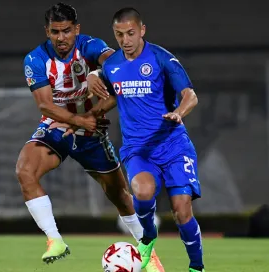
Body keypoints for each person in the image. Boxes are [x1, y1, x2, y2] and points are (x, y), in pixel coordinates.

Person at [53, 7, 205, 272]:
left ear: (142, 30)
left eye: (130, 33)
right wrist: (80, 118)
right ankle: (148, 236)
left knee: (182, 212)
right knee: (143, 192)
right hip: (138, 149)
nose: (125, 40)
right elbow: (112, 96)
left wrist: (179, 113)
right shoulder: (112, 66)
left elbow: (190, 95)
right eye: (119, 34)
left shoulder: (161, 59)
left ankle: (196, 267)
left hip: (173, 146)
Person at [16, 3, 164, 271]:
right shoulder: (35, 60)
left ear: (77, 29)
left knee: (119, 194)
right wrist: (79, 120)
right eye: (55, 32)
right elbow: (46, 106)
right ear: (47, 32)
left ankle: (149, 255)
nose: (61, 38)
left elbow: (120, 65)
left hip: (91, 132)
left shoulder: (90, 46)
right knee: (25, 171)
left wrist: (98, 74)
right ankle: (55, 240)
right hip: (56, 127)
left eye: (66, 31)